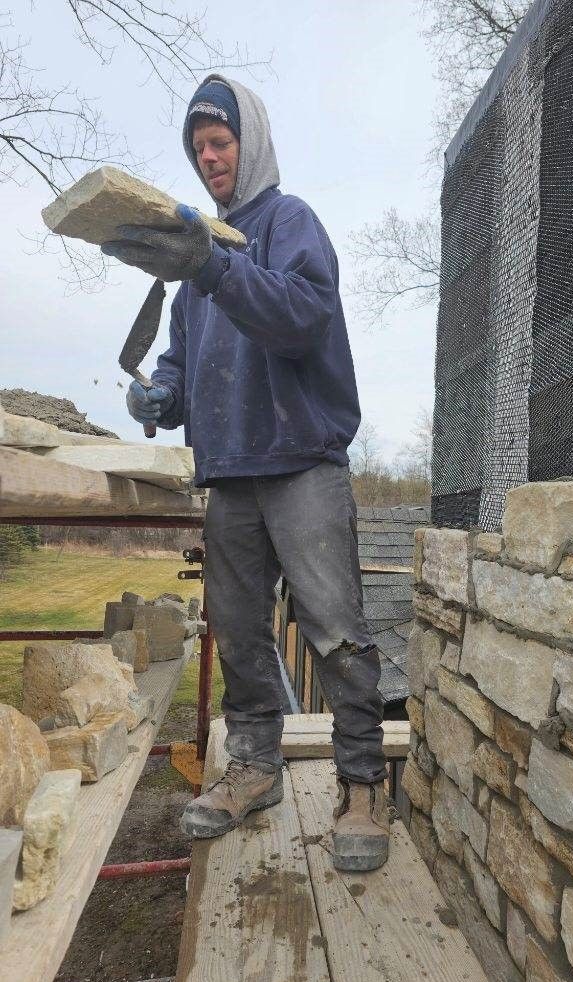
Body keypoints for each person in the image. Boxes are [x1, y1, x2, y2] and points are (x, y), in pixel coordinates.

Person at [102, 76, 389, 871]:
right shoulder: (201, 253)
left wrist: (213, 266)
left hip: (300, 464)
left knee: (335, 630)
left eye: (219, 142)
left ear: (249, 141)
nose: (208, 158)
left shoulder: (287, 224)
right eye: (198, 149)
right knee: (237, 632)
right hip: (228, 472)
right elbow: (182, 358)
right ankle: (256, 766)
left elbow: (303, 320)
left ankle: (363, 786)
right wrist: (159, 392)